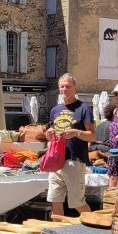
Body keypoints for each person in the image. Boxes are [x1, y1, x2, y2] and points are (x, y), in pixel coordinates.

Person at [46, 73, 95, 216]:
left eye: (68, 86)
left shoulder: (84, 108)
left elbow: (92, 135)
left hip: (75, 160)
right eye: (62, 86)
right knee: (55, 200)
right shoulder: (55, 110)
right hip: (56, 160)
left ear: (75, 89)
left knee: (77, 203)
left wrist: (76, 133)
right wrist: (49, 132)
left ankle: (93, 227)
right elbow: (52, 131)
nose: (64, 89)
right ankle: (57, 233)